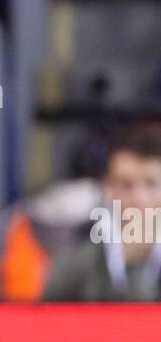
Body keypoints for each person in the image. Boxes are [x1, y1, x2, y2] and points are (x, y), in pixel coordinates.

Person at [44, 125, 161, 302]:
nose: (139, 199)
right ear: (108, 189)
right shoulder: (74, 266)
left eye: (151, 184)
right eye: (126, 185)